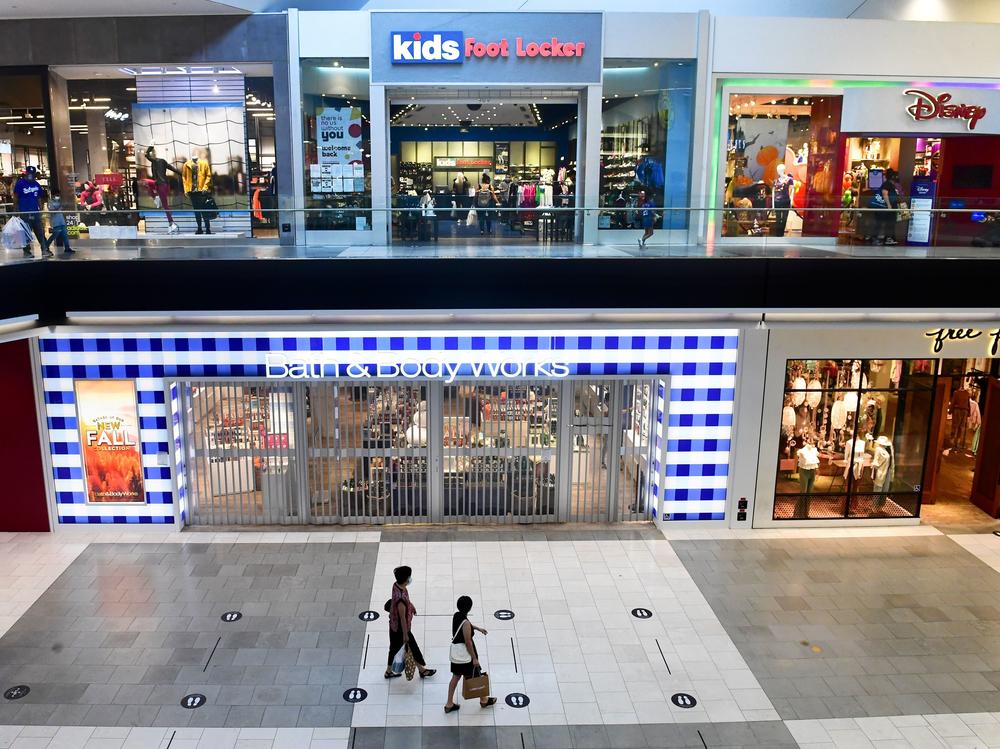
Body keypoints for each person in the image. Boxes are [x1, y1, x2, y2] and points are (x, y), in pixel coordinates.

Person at [444, 595, 497, 713]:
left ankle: (449, 704)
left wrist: (477, 628)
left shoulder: (457, 615)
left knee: (455, 677)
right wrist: (474, 658)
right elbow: (468, 642)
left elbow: (464, 625)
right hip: (466, 656)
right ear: (469, 608)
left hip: (456, 654)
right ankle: (483, 700)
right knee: (476, 675)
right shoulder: (466, 623)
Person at [384, 565, 436, 680]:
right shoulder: (401, 600)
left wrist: (411, 606)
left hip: (393, 625)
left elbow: (405, 601)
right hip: (401, 629)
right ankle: (422, 671)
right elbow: (402, 618)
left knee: (396, 648)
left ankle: (389, 672)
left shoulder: (397, 586)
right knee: (411, 647)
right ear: (406, 579)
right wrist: (405, 634)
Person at [13, 166, 50, 258]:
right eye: (29, 174)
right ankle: (27, 251)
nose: (31, 176)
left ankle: (45, 249)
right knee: (26, 232)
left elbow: (39, 197)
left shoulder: (36, 184)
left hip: (35, 212)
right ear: (26, 173)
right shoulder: (20, 184)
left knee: (40, 232)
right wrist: (16, 210)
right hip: (24, 212)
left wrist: (40, 208)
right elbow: (16, 197)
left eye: (32, 174)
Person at [872, 169, 899, 246]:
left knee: (888, 223)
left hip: (888, 207)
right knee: (882, 223)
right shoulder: (887, 184)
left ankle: (888, 238)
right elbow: (885, 194)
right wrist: (889, 205)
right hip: (886, 207)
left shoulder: (890, 184)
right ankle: (878, 238)